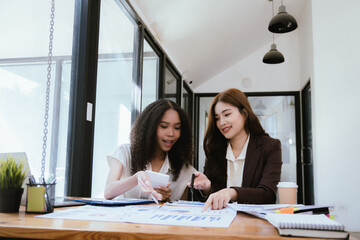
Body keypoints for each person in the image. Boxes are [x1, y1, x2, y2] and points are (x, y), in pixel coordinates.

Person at [191, 88, 282, 210]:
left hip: (254, 223)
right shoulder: (215, 149)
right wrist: (206, 187)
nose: (222, 122)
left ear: (244, 113)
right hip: (221, 221)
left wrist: (231, 192)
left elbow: (268, 195)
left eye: (227, 114)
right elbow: (211, 196)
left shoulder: (270, 146)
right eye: (217, 118)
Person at [105, 99, 196, 202]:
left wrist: (165, 199)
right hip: (124, 217)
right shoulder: (125, 152)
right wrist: (136, 178)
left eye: (177, 128)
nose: (171, 133)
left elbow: (182, 209)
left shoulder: (184, 169)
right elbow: (108, 192)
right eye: (164, 126)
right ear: (150, 127)